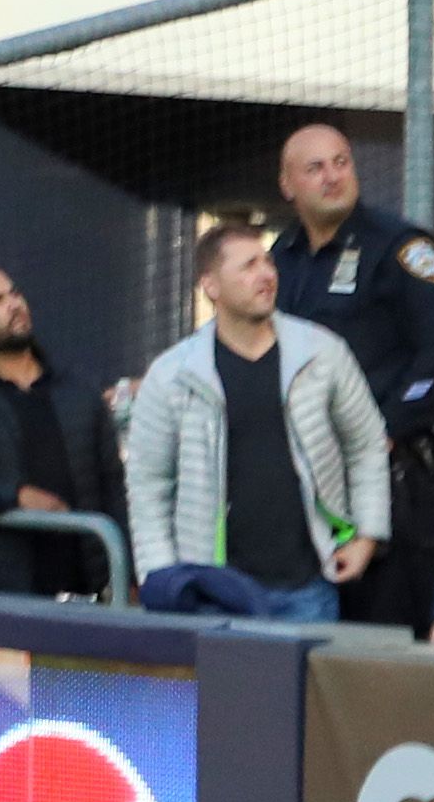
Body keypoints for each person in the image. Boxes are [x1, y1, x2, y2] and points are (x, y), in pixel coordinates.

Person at [263, 119, 434, 630]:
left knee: (395, 638)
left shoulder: (400, 247)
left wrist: (386, 428)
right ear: (288, 186)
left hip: (403, 484)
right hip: (314, 485)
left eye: (341, 162)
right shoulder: (278, 262)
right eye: (315, 168)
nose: (333, 177)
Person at [122, 219, 378, 620]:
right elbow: (148, 483)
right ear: (211, 286)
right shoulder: (172, 375)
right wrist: (162, 575)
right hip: (213, 594)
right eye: (248, 266)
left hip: (310, 586)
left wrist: (368, 536)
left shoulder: (322, 353)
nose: (266, 275)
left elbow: (366, 443)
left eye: (267, 263)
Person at [0, 264, 110, 600]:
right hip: (0, 600)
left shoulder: (78, 390)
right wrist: (15, 496)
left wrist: (124, 575)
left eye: (14, 293)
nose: (14, 304)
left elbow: (111, 485)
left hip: (88, 597)